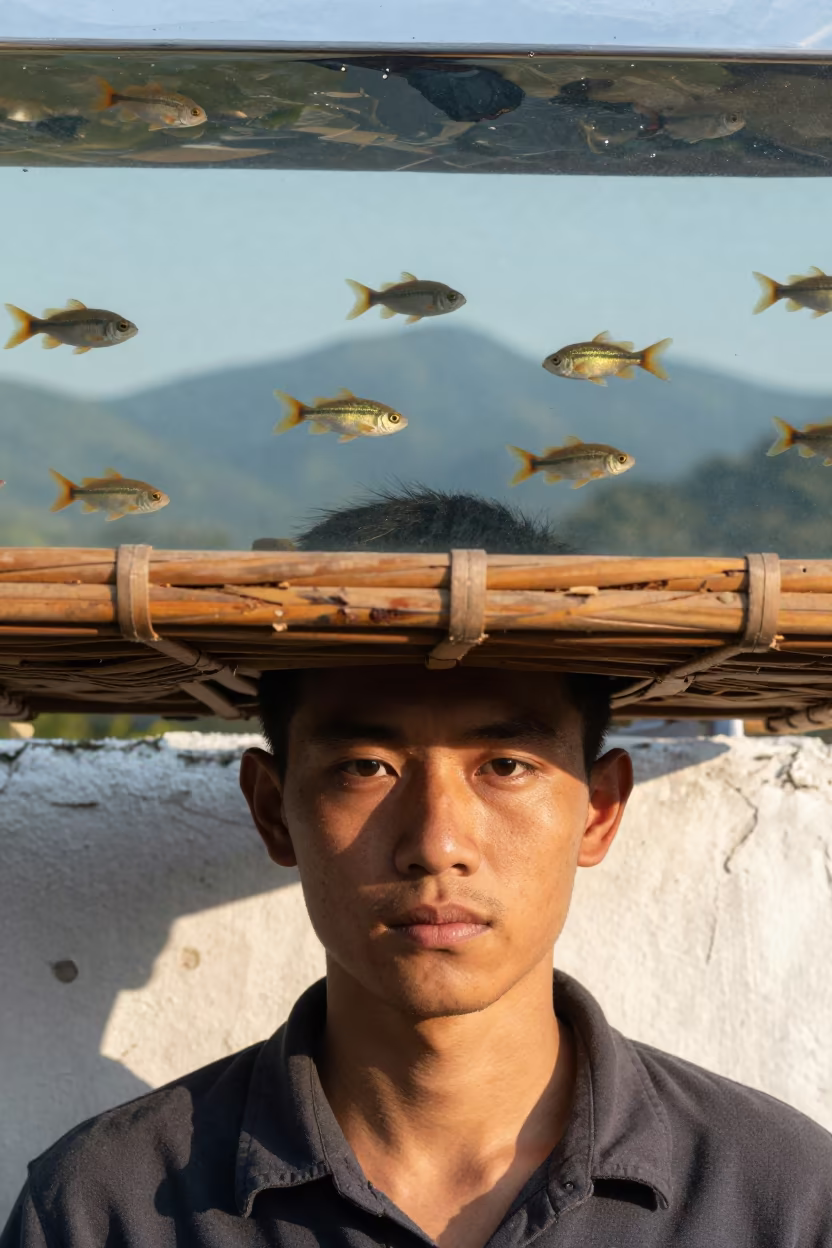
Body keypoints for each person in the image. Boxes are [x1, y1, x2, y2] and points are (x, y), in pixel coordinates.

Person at [2, 488, 830, 1248]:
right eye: (366, 766)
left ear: (600, 809)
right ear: (273, 810)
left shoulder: (778, 1201)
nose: (436, 844)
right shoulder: (104, 1209)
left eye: (505, 766)